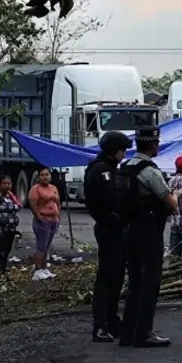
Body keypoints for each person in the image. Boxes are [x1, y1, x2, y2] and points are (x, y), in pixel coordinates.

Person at [117, 126, 180, 348]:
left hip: (128, 230)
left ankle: (128, 333)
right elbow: (170, 204)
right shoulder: (150, 171)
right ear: (153, 144)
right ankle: (144, 332)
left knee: (134, 281)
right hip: (148, 231)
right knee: (150, 282)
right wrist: (175, 194)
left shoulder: (125, 168)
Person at [83, 130, 132, 342]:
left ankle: (111, 321)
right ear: (113, 151)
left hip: (113, 228)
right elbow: (110, 200)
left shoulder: (108, 168)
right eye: (122, 150)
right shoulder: (103, 171)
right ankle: (101, 324)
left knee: (116, 276)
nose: (124, 154)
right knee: (107, 278)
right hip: (109, 228)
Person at [28, 168, 61, 282]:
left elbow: (57, 202)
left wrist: (58, 216)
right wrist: (39, 217)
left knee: (47, 246)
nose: (45, 177)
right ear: (38, 177)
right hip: (43, 221)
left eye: (47, 174)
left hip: (53, 220)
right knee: (41, 246)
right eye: (42, 175)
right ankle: (37, 270)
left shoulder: (53, 188)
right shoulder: (35, 189)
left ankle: (44, 268)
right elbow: (33, 204)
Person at [0, 175, 20, 277]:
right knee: (1, 250)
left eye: (9, 183)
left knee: (7, 251)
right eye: (4, 183)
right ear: (0, 184)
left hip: (11, 229)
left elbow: (18, 206)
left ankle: (3, 270)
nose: (7, 186)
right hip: (1, 229)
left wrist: (11, 194)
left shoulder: (9, 196)